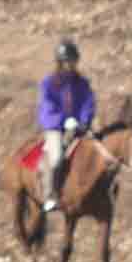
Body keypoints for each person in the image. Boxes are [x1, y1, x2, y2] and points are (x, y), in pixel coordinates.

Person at [37, 38, 96, 212]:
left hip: (79, 127)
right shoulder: (48, 83)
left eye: (72, 61)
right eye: (66, 61)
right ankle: (49, 195)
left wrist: (84, 121)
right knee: (56, 158)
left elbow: (88, 103)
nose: (70, 65)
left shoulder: (82, 83)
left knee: (99, 151)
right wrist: (63, 121)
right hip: (55, 127)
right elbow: (48, 106)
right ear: (60, 63)